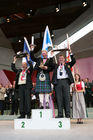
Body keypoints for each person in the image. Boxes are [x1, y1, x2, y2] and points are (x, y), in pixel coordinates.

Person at [52, 51, 76, 118]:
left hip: (65, 82)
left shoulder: (67, 64)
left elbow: (73, 61)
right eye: (60, 59)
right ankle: (60, 114)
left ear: (64, 59)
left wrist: (71, 54)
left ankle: (67, 113)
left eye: (62, 58)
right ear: (58, 60)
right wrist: (51, 55)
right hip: (58, 83)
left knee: (67, 98)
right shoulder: (56, 66)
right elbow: (50, 63)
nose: (61, 59)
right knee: (59, 99)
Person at [11, 54, 33, 118]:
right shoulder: (19, 71)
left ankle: (28, 114)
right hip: (20, 87)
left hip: (27, 87)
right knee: (21, 101)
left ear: (26, 66)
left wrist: (28, 58)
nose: (23, 65)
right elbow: (13, 68)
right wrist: (14, 60)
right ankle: (22, 114)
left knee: (27, 100)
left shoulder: (28, 71)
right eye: (22, 65)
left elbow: (31, 66)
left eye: (24, 65)